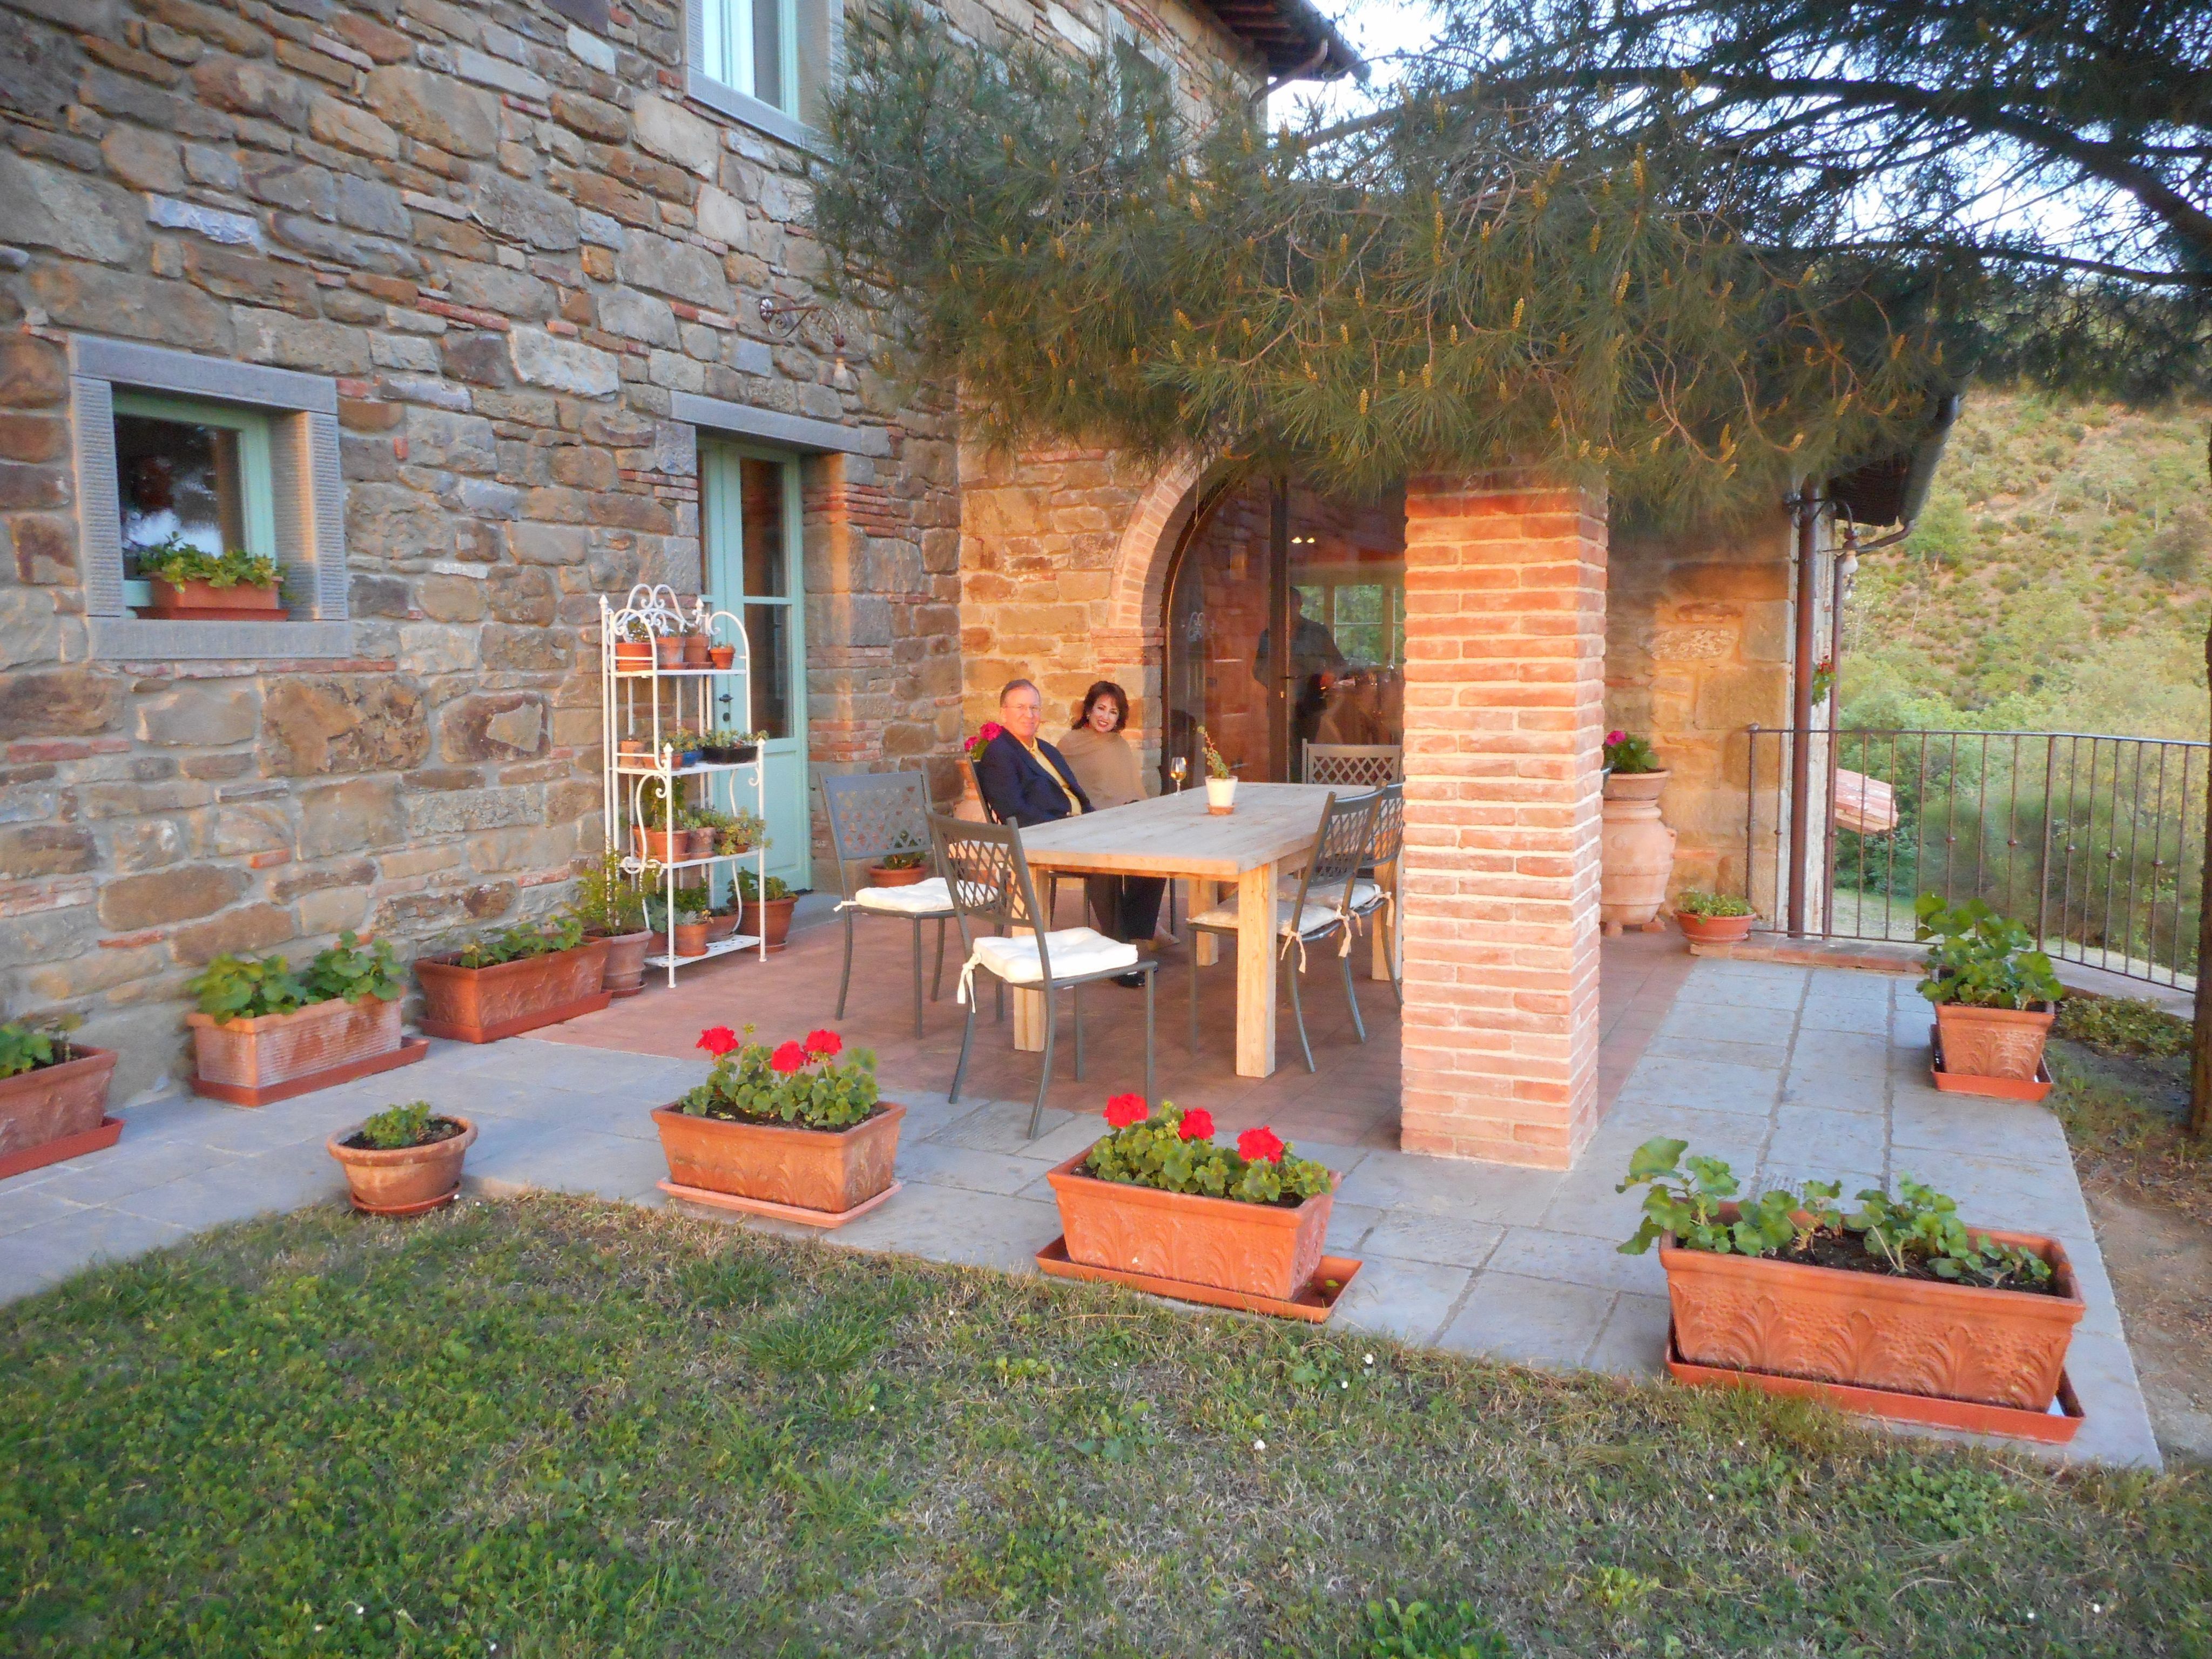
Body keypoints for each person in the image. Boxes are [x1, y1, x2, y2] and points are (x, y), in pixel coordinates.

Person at [1057, 682, 1166, 947]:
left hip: (1123, 823)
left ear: (1120, 718)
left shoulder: (1119, 745)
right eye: (1101, 708)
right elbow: (1064, 791)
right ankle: (1122, 936)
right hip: (1086, 826)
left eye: (1113, 712)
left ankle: (1138, 929)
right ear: (1088, 710)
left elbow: (1130, 791)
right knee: (1105, 858)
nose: (1106, 717)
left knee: (1158, 849)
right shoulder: (1069, 744)